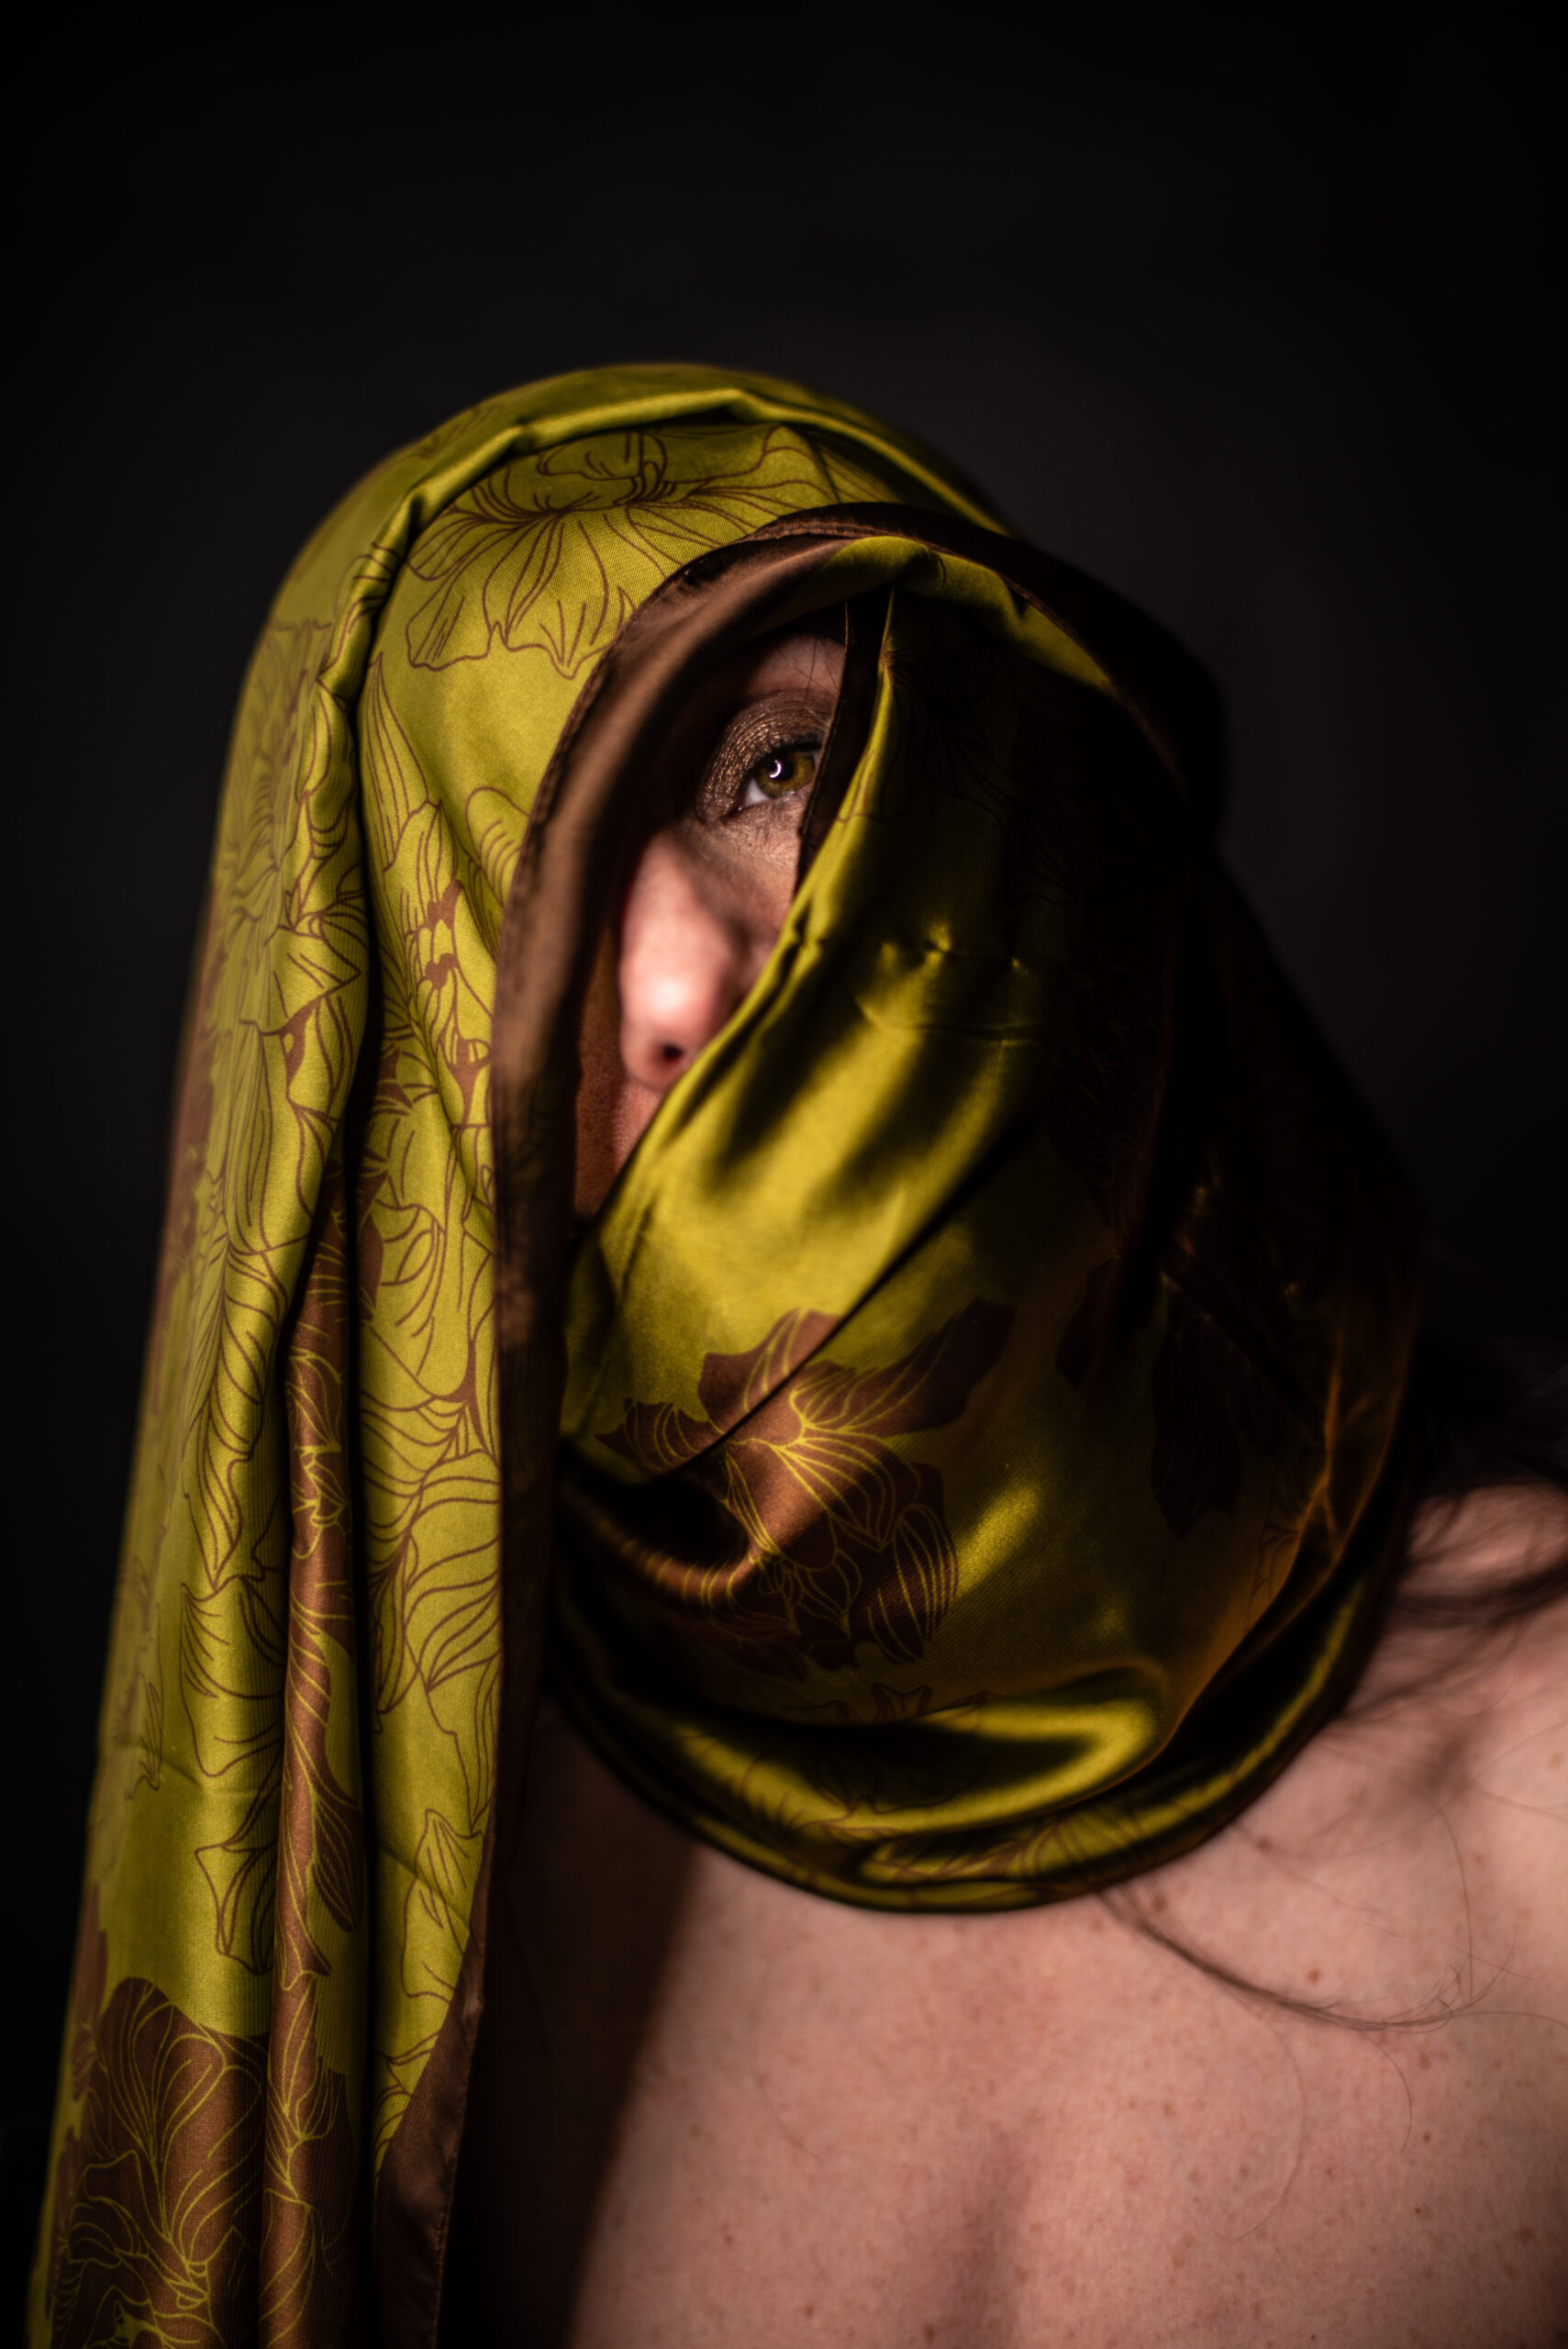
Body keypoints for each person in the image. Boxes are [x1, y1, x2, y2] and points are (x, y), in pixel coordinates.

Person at [31, 366, 1564, 2349]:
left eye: (772, 769)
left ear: (1026, 792)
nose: (674, 980)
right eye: (515, 903)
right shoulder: (389, 1898)